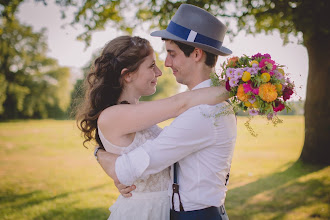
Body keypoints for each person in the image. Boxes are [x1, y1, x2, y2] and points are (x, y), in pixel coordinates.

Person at [96, 4, 237, 220]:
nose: (166, 65)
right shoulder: (201, 105)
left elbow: (131, 167)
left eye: (171, 54)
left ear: (196, 54)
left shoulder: (204, 112)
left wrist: (101, 155)